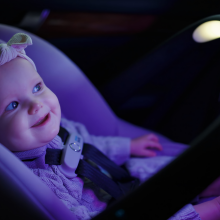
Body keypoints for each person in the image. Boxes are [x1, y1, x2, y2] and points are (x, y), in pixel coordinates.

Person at [0, 33, 220, 220]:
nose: (36, 105)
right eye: (12, 105)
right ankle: (209, 209)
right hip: (114, 210)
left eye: (37, 87)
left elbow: (90, 144)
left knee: (170, 171)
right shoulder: (39, 180)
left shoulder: (60, 126)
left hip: (121, 179)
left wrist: (126, 147)